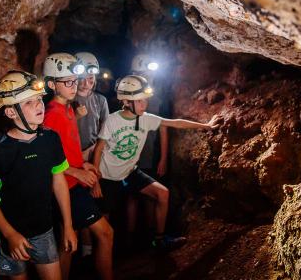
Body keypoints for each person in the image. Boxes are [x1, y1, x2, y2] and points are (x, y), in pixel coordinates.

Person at [92, 74, 220, 251]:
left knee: (163, 194)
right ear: (127, 102)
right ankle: (102, 254)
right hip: (106, 177)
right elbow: (98, 149)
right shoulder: (112, 120)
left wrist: (207, 126)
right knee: (105, 220)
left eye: (145, 100)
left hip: (129, 173)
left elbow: (175, 123)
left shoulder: (146, 118)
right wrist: (95, 179)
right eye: (141, 101)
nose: (145, 104)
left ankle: (158, 240)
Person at [0, 70, 77, 279]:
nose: (39, 105)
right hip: (10, 235)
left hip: (44, 230)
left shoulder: (50, 139)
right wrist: (10, 234)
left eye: (39, 99)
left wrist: (68, 226)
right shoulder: (0, 150)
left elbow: (59, 182)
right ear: (10, 112)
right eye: (28, 102)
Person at [43, 53, 114, 280]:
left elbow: (65, 150)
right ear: (52, 84)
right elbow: (46, 159)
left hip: (72, 183)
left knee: (68, 245)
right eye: (67, 82)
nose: (73, 86)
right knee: (105, 233)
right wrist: (76, 171)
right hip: (67, 187)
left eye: (74, 80)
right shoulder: (52, 115)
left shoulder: (68, 109)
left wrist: (82, 163)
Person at [74, 52, 110, 259]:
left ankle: (90, 248)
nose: (88, 82)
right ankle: (83, 248)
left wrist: (94, 152)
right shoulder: (69, 99)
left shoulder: (101, 100)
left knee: (94, 200)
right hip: (73, 159)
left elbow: (103, 133)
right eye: (83, 77)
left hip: (93, 156)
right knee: (78, 203)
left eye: (91, 77)